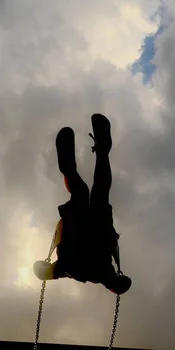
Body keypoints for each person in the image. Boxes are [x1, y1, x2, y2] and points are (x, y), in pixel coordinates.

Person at [33, 113, 132, 295]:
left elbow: (45, 272)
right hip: (94, 232)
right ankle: (96, 154)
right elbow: (45, 272)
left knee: (91, 192)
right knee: (93, 192)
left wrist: (43, 271)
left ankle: (79, 162)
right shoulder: (94, 271)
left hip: (86, 232)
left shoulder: (83, 269)